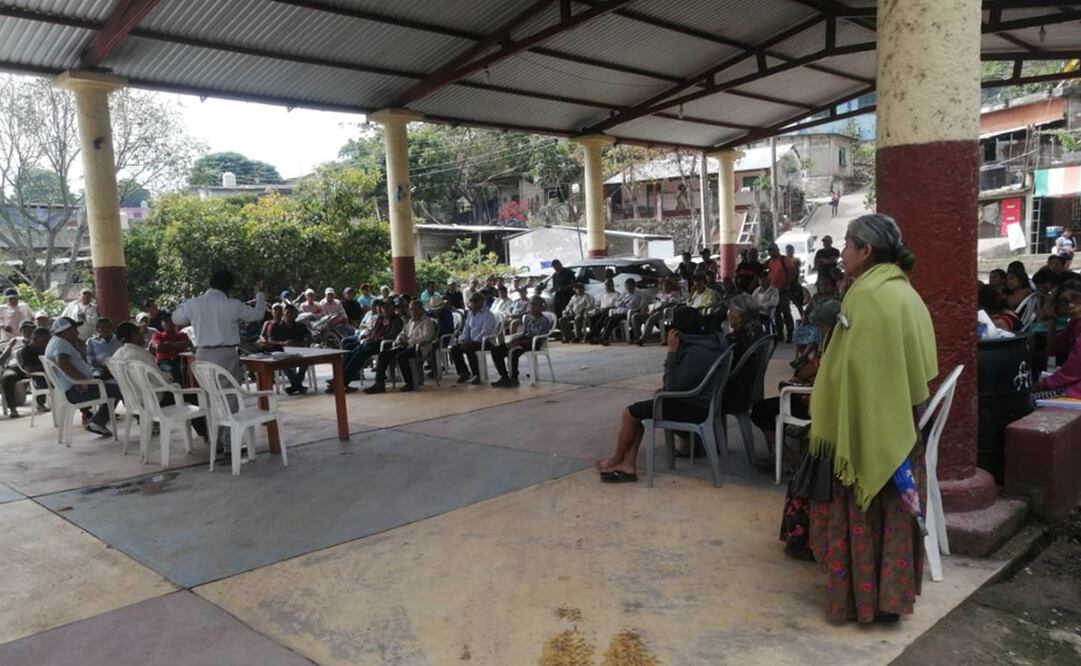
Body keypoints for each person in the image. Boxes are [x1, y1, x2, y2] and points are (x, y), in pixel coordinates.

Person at [808, 213, 937, 625]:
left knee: (861, 501)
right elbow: (913, 369)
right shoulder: (904, 290)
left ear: (865, 251)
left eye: (848, 245)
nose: (842, 253)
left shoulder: (866, 295)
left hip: (867, 430)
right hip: (902, 429)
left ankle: (858, 603)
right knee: (892, 518)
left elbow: (850, 371)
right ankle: (889, 603)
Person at [594, 307, 725, 482]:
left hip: (692, 407)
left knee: (630, 413)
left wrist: (671, 352)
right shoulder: (712, 342)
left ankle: (618, 458)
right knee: (645, 408)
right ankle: (628, 463)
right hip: (705, 402)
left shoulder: (694, 352)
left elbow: (671, 385)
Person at [172, 270, 266, 384]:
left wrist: (185, 300)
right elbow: (258, 314)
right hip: (226, 355)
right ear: (229, 287)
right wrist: (260, 294)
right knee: (229, 395)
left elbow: (176, 319)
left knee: (209, 394)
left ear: (210, 283)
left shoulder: (194, 303)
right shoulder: (233, 304)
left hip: (203, 354)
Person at [45, 316, 122, 437]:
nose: (77, 332)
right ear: (66, 331)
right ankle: (145, 416)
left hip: (72, 388)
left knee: (115, 388)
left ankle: (97, 422)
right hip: (76, 390)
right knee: (123, 389)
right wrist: (83, 381)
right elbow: (62, 362)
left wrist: (81, 352)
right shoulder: (61, 344)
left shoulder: (56, 342)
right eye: (74, 329)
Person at [364, 299, 436, 394]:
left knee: (401, 356)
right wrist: (400, 339)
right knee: (383, 355)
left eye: (415, 309)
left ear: (421, 310)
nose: (413, 312)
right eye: (411, 309)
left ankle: (409, 382)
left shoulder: (427, 322)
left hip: (419, 348)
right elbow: (402, 333)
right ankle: (379, 384)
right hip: (406, 346)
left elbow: (426, 337)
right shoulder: (410, 322)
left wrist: (409, 341)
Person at [335, 299, 404, 393]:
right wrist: (369, 336)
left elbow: (392, 335)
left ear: (393, 308)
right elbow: (374, 330)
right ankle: (340, 379)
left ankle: (341, 382)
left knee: (360, 354)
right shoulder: (381, 318)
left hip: (384, 344)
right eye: (383, 307)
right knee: (353, 351)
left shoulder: (397, 320)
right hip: (373, 342)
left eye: (388, 307)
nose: (385, 309)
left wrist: (376, 338)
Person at [1035, 279, 1081, 399]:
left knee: (1033, 399)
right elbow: (1053, 350)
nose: (1070, 305)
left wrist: (1044, 384)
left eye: (1076, 298)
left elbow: (1074, 369)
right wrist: (1052, 320)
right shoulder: (1075, 324)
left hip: (1076, 389)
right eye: (1064, 302)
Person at [490, 297, 551, 387]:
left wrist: (519, 343)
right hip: (525, 340)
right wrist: (513, 340)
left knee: (513, 351)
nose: (531, 307)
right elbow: (524, 333)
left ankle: (513, 378)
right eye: (530, 304)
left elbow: (538, 337)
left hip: (534, 342)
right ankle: (504, 376)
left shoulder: (544, 320)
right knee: (497, 349)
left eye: (535, 305)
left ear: (541, 307)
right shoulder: (528, 318)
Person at [451, 293, 499, 384]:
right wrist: (464, 339)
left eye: (476, 300)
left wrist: (472, 341)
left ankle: (477, 375)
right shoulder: (471, 315)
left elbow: (486, 331)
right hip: (473, 342)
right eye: (471, 300)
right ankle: (464, 372)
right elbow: (466, 329)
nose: (473, 303)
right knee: (455, 349)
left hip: (486, 342)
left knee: (469, 348)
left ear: (482, 302)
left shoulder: (487, 315)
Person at [792, 275, 840, 360]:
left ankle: (802, 357)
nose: (824, 286)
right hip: (811, 324)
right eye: (821, 285)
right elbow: (806, 312)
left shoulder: (836, 298)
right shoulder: (815, 297)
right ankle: (806, 361)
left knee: (816, 333)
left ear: (833, 286)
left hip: (826, 326)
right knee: (798, 333)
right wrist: (804, 318)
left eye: (827, 284)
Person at [1, 321, 41, 418]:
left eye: (30, 329)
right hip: (14, 367)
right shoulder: (15, 340)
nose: (28, 331)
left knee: (40, 374)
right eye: (25, 329)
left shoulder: (36, 341)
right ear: (20, 331)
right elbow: (4, 356)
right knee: (8, 377)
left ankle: (41, 404)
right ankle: (13, 409)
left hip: (30, 366)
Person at [599, 278, 649, 345]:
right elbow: (617, 302)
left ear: (634, 285)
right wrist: (620, 303)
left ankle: (604, 338)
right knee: (607, 319)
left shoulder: (638, 295)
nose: (628, 288)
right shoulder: (625, 294)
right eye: (627, 286)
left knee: (612, 320)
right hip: (620, 311)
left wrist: (638, 308)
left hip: (628, 313)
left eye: (630, 286)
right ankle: (605, 337)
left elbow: (641, 305)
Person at [635, 278, 683, 346]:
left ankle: (643, 339)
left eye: (667, 285)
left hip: (663, 312)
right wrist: (646, 307)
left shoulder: (673, 294)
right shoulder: (660, 294)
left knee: (651, 318)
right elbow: (652, 301)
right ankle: (638, 337)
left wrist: (660, 307)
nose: (665, 287)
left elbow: (673, 303)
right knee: (636, 316)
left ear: (670, 286)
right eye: (664, 285)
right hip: (652, 311)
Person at [765, 244, 796, 342]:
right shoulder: (769, 262)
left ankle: (790, 334)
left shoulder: (784, 260)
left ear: (777, 250)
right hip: (774, 290)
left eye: (772, 250)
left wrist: (787, 284)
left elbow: (792, 271)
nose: (771, 253)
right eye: (769, 251)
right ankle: (780, 334)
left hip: (783, 290)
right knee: (776, 313)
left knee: (786, 312)